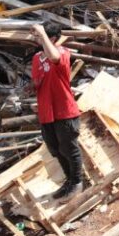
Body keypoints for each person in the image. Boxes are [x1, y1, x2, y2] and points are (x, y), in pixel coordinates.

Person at [30, 23, 83, 201]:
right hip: (47, 112)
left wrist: (42, 33)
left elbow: (54, 57)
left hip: (64, 110)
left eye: (39, 37)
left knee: (69, 148)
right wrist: (32, 91)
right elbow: (38, 82)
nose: (36, 39)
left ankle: (77, 182)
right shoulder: (37, 58)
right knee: (56, 149)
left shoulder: (62, 52)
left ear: (51, 38)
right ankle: (69, 181)